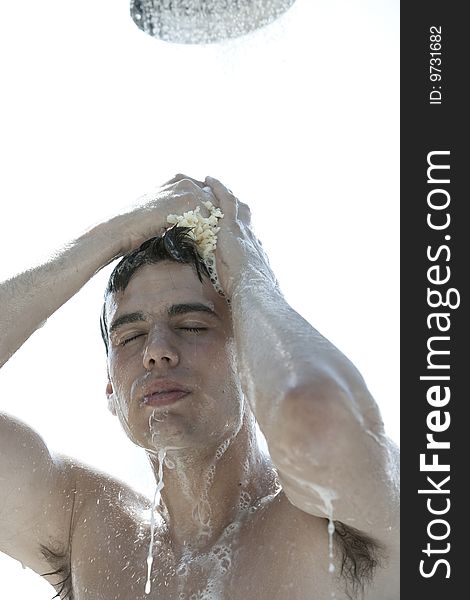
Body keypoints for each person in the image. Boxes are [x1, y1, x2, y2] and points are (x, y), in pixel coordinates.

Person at [0, 175, 399, 600]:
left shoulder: (338, 521)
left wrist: (248, 275)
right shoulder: (85, 529)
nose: (156, 351)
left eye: (192, 326)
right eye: (130, 337)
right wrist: (117, 233)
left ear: (252, 362)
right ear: (111, 389)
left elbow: (316, 418)